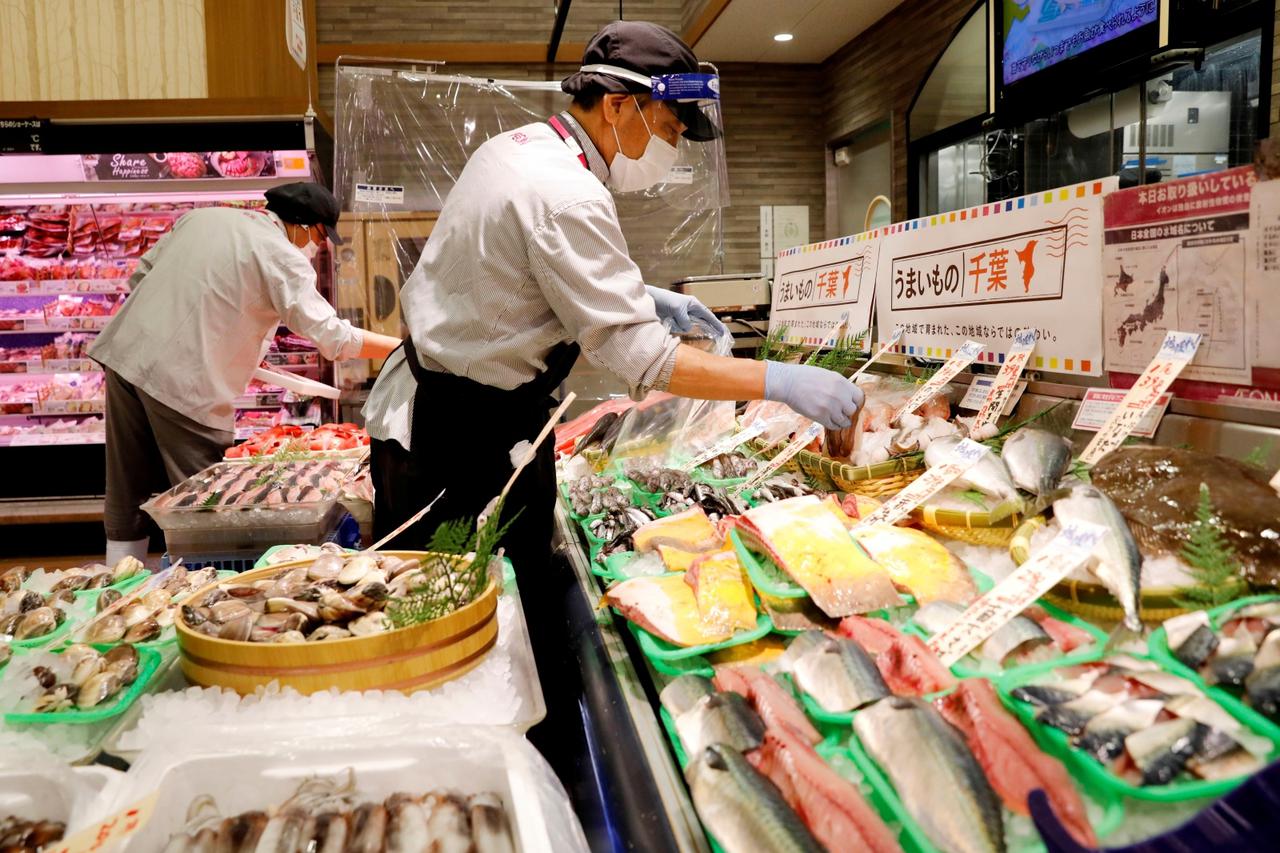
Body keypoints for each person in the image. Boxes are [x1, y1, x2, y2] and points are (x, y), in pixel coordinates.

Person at [362, 21, 863, 574]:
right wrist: (781, 381)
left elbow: (520, 265)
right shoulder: (568, 193)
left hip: (433, 398)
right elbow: (641, 356)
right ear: (618, 107)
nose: (671, 150)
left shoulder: (518, 146)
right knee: (469, 610)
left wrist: (643, 298)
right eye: (669, 132)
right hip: (459, 435)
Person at [90, 183, 401, 565]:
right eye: (321, 236)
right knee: (208, 499)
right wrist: (403, 348)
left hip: (125, 353)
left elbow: (142, 277)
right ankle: (209, 587)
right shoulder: (281, 254)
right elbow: (332, 337)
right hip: (185, 379)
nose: (318, 246)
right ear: (303, 225)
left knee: (128, 484)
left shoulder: (202, 219)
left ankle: (119, 583)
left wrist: (232, 350)